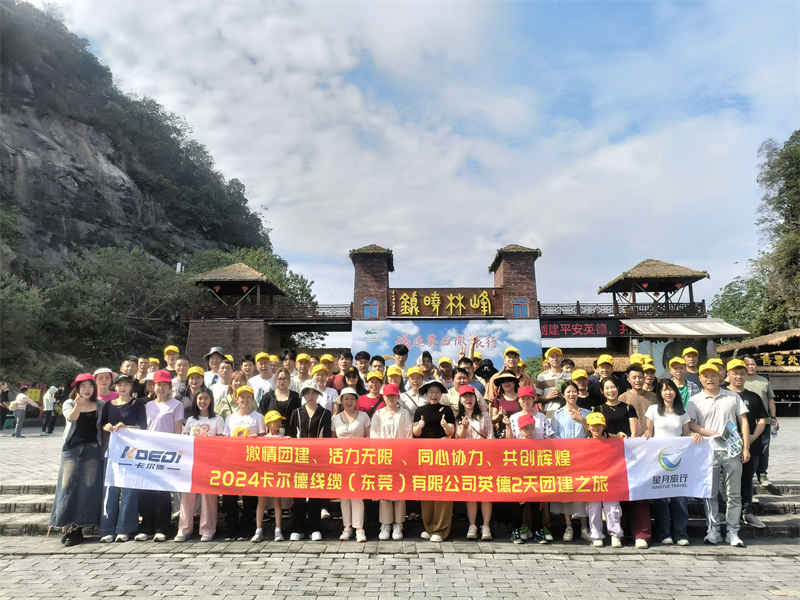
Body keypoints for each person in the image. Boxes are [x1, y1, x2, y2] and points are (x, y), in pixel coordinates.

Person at [687, 361, 750, 547]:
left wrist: (746, 447)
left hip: (732, 450)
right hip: (708, 452)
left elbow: (744, 422)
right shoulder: (694, 400)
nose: (710, 379)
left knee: (734, 494)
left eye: (713, 375)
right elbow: (690, 424)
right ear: (700, 378)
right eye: (705, 376)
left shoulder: (732, 397)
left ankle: (733, 532)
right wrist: (711, 433)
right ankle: (713, 530)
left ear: (720, 376)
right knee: (710, 493)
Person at [50, 373, 105, 546]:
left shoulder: (100, 405)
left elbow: (104, 426)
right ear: (77, 388)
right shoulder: (69, 403)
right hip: (71, 450)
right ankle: (67, 525)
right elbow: (71, 417)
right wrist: (78, 406)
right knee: (67, 485)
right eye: (83, 386)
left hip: (92, 450)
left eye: (90, 386)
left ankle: (78, 527)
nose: (87, 390)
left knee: (88, 486)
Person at [644, 379, 695, 546]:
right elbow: (649, 433)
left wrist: (694, 436)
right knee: (661, 498)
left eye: (671, 389)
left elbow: (686, 435)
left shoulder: (682, 413)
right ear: (659, 393)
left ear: (676, 392)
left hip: (678, 461)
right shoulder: (653, 410)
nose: (668, 392)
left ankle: (681, 533)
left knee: (680, 498)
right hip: (658, 460)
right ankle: (664, 533)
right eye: (664, 390)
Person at [136, 370, 184, 542]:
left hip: (166, 452)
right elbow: (143, 429)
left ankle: (162, 528)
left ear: (170, 387)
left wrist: (176, 452)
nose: (161, 388)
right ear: (153, 387)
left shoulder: (176, 405)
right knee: (146, 490)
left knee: (162, 492)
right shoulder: (148, 406)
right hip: (148, 452)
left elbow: (178, 430)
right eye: (158, 385)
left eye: (164, 385)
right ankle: (146, 527)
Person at [98, 374, 147, 543]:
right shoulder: (108, 405)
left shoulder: (137, 404)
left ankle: (125, 529)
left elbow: (143, 426)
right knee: (110, 489)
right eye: (120, 385)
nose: (123, 388)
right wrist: (107, 427)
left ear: (131, 387)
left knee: (129, 490)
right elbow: (102, 425)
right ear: (115, 387)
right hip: (112, 453)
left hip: (131, 453)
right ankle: (107, 529)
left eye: (126, 384)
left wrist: (126, 427)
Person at [175, 389, 224, 542]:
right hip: (191, 463)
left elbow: (222, 442)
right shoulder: (191, 420)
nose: (203, 401)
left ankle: (207, 529)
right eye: (200, 398)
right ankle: (184, 529)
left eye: (206, 398)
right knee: (187, 496)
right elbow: (183, 441)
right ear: (196, 401)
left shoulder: (217, 420)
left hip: (210, 463)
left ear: (211, 400)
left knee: (208, 496)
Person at [505, 385, 553, 544]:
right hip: (518, 463)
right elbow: (509, 442)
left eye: (529, 398)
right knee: (518, 498)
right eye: (522, 398)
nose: (525, 401)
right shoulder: (513, 418)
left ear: (534, 399)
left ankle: (539, 529)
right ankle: (517, 529)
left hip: (538, 463)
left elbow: (549, 439)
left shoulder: (541, 418)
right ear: (518, 400)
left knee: (537, 497)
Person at [726, 359, 768, 529]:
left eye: (742, 373)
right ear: (728, 374)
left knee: (747, 479)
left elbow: (762, 419)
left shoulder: (753, 396)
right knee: (726, 481)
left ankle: (747, 512)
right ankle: (726, 513)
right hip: (726, 447)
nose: (738, 377)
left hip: (749, 446)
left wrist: (752, 437)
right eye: (735, 373)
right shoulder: (722, 394)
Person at [288, 383, 332, 541]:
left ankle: (314, 527)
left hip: (318, 459)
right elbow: (291, 436)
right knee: (299, 493)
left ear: (318, 394)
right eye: (307, 393)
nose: (310, 396)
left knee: (315, 492)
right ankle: (297, 528)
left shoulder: (325, 413)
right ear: (303, 395)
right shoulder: (296, 413)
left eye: (313, 393)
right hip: (299, 459)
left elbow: (326, 437)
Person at [413, 380, 455, 542]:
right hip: (425, 455)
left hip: (443, 455)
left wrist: (445, 426)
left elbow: (451, 432)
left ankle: (441, 529)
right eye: (431, 392)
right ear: (426, 393)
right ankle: (428, 526)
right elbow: (415, 433)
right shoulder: (420, 410)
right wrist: (420, 425)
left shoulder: (447, 410)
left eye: (437, 392)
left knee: (443, 490)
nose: (434, 395)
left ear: (441, 394)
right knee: (427, 490)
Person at [370, 384, 413, 540]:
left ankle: (398, 524)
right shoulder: (378, 414)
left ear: (398, 397)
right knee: (385, 489)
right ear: (383, 397)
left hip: (400, 457)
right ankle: (386, 523)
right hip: (384, 457)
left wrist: (403, 452)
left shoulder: (404, 414)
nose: (391, 399)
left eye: (393, 396)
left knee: (400, 489)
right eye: (388, 396)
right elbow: (374, 435)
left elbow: (408, 435)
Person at [550, 381, 591, 543]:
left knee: (583, 490)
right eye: (568, 391)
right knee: (566, 491)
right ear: (563, 394)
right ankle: (568, 526)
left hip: (583, 457)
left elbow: (592, 433)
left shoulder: (587, 413)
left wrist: (582, 420)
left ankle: (584, 527)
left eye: (574, 391)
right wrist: (567, 449)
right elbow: (554, 435)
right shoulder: (557, 414)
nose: (572, 394)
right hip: (565, 458)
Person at [332, 386, 371, 542]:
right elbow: (333, 440)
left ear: (356, 401)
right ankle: (347, 527)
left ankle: (359, 528)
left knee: (357, 494)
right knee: (344, 495)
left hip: (359, 460)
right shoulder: (335, 419)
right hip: (341, 460)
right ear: (341, 401)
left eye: (352, 399)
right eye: (346, 398)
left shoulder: (364, 416)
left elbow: (369, 438)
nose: (349, 402)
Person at [455, 384, 493, 541]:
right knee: (471, 494)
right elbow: (458, 440)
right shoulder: (458, 418)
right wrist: (464, 428)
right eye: (464, 397)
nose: (468, 399)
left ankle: (486, 525)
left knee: (485, 493)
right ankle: (472, 525)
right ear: (460, 400)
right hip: (467, 461)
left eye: (470, 396)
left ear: (475, 398)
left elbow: (491, 437)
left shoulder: (485, 416)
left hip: (484, 460)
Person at [584, 412, 624, 548]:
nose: (596, 428)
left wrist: (620, 437)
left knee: (612, 508)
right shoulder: (582, 443)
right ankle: (596, 535)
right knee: (593, 509)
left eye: (599, 425)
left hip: (610, 479)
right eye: (593, 425)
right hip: (591, 481)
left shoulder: (613, 441)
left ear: (604, 426)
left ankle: (615, 534)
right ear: (588, 427)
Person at [252, 410, 288, 542]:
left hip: (277, 474)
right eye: (275, 421)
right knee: (261, 502)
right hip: (264, 474)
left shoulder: (285, 438)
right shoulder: (262, 440)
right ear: (268, 424)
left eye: (279, 421)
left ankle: (278, 529)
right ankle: (258, 530)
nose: (278, 423)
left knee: (277, 502)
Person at [742, 355, 777, 487]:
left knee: (764, 448)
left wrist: (773, 417)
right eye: (748, 364)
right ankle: (747, 475)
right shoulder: (740, 380)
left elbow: (770, 400)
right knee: (746, 447)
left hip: (764, 421)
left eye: (753, 364)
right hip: (745, 421)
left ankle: (762, 474)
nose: (751, 367)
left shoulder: (764, 381)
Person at [259, 368, 302, 436]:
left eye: (285, 379)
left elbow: (300, 416)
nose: (282, 381)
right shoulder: (267, 397)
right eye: (279, 379)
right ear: (275, 380)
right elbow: (261, 416)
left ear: (289, 380)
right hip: (272, 436)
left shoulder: (296, 397)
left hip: (291, 435)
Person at [490, 372, 520, 439]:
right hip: (503, 435)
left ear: (514, 382)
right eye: (503, 381)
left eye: (509, 380)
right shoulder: (497, 399)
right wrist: (499, 416)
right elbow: (492, 420)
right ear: (501, 384)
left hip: (521, 433)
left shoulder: (522, 398)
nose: (506, 383)